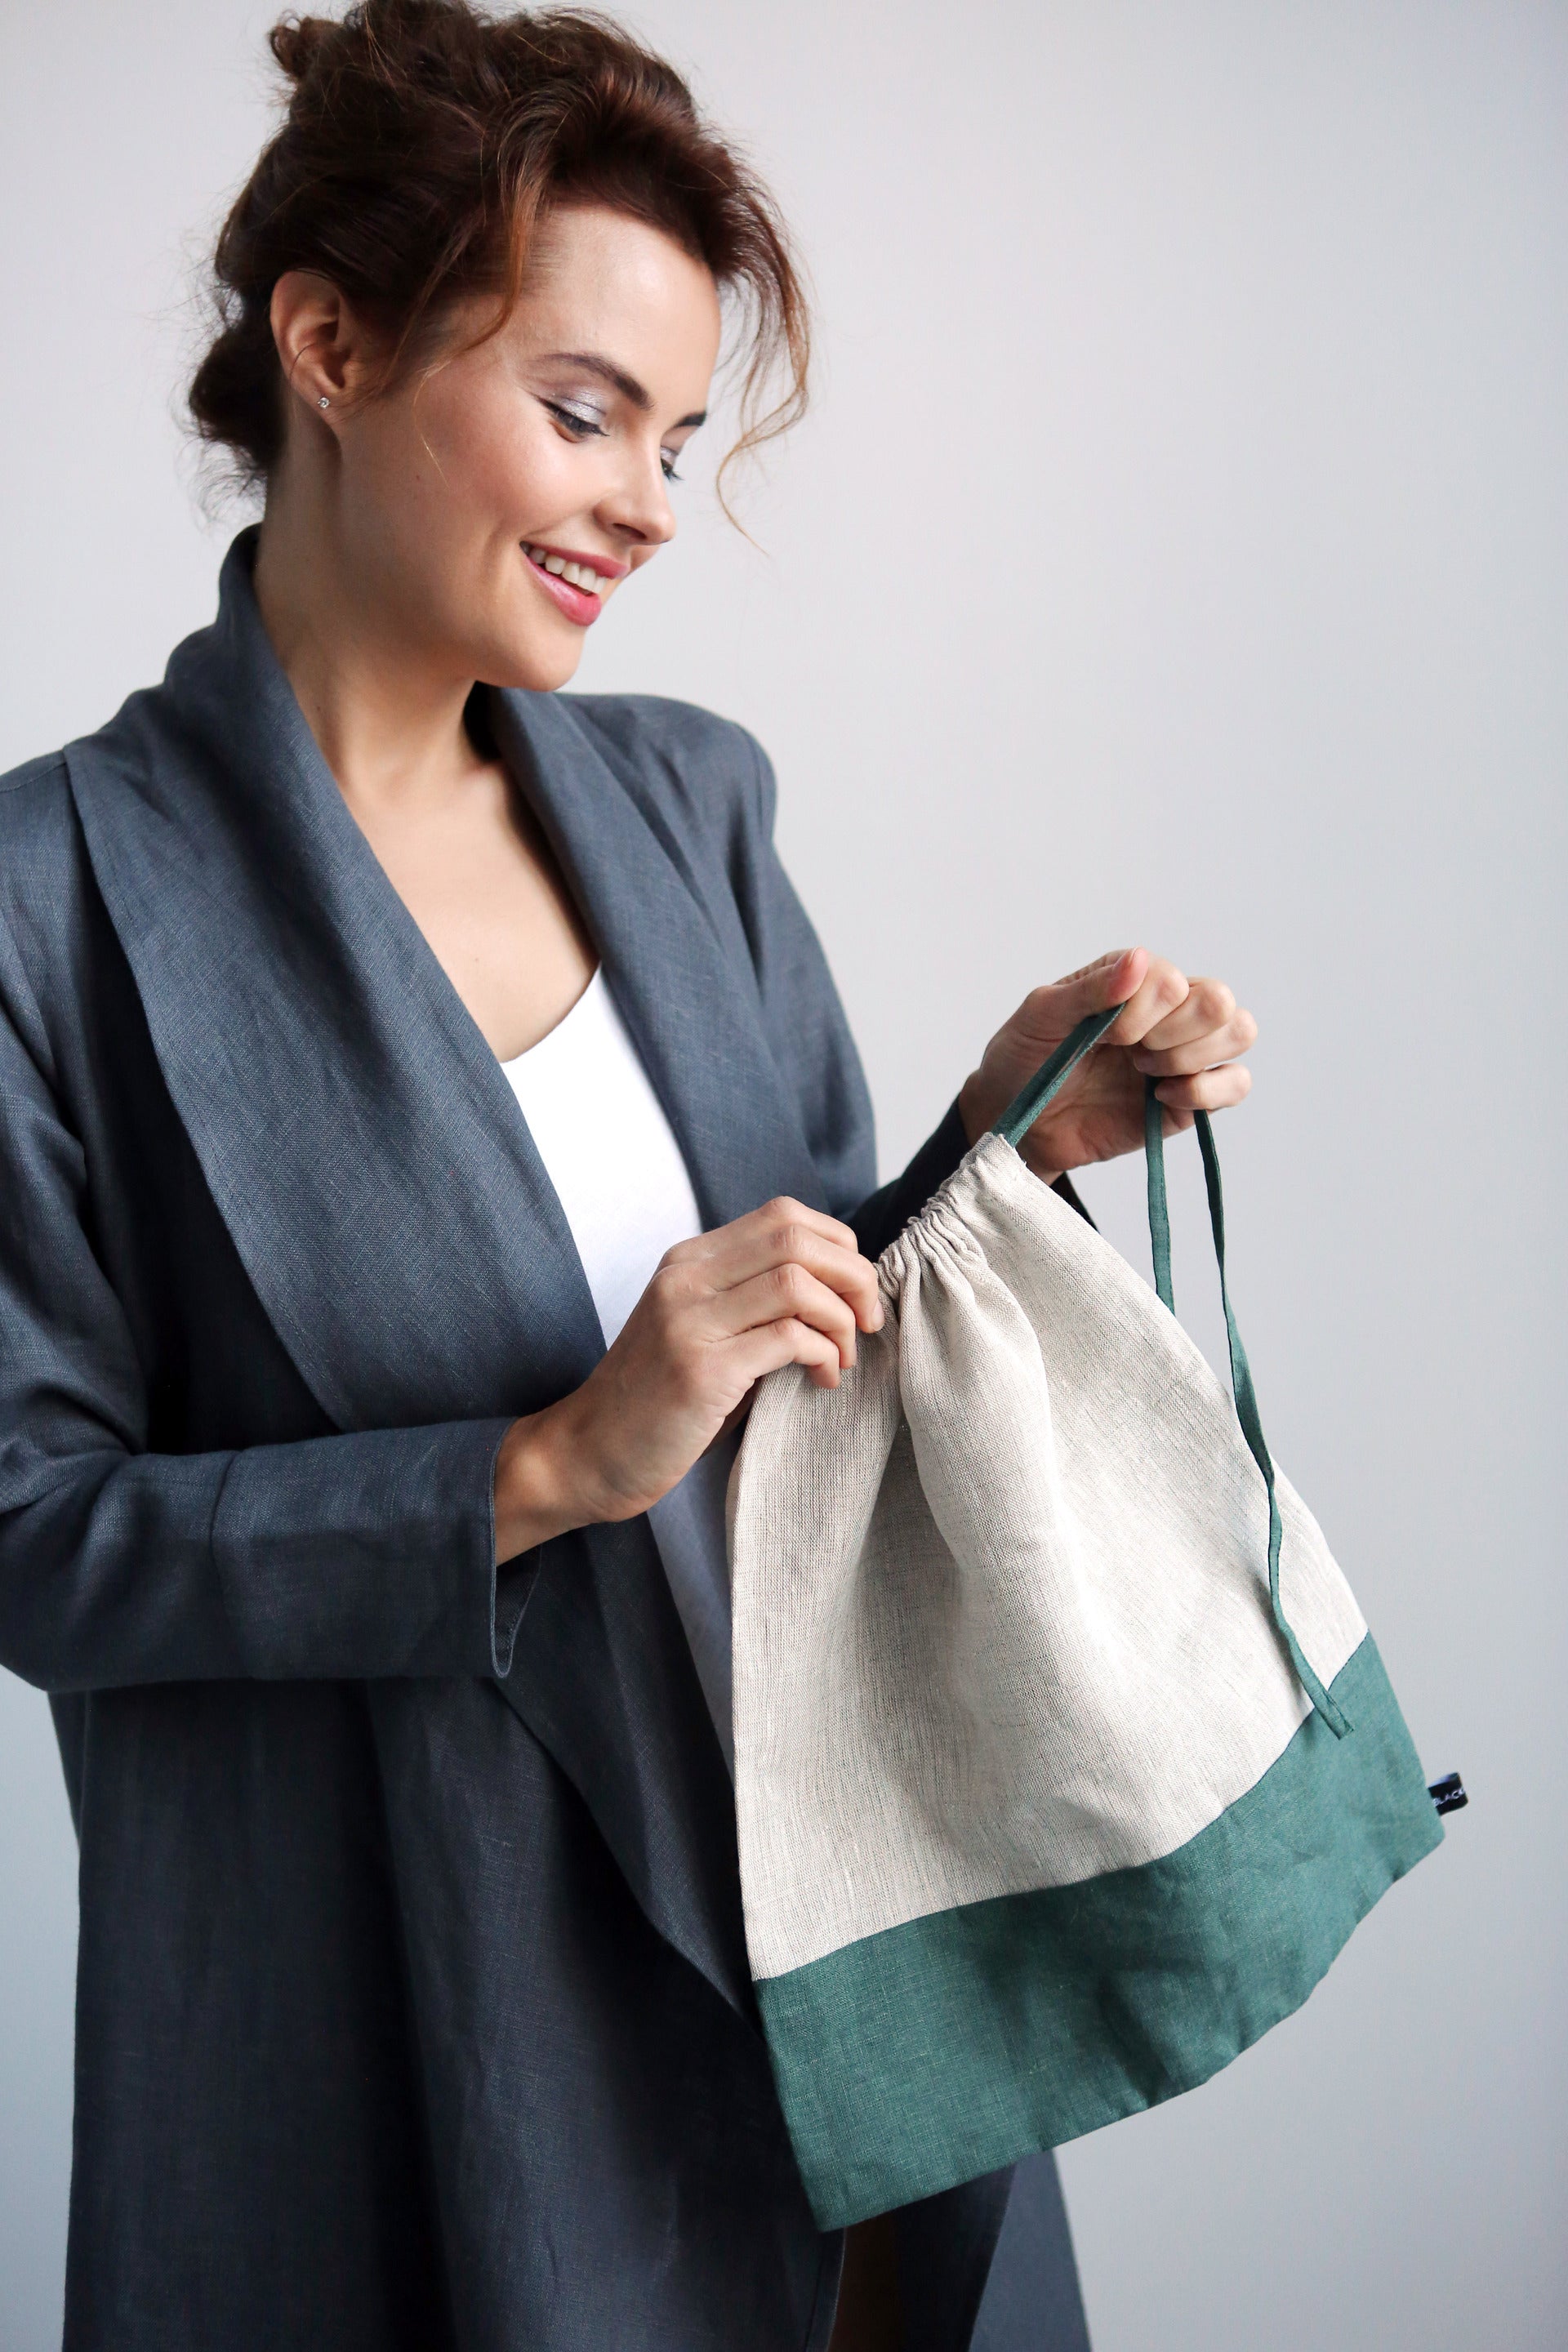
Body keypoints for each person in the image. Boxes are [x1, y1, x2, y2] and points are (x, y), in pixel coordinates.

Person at [0, 5, 1258, 2346]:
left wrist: (995, 1150)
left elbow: (799, 1379)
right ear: (333, 342)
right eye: (583, 413)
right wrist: (538, 1467)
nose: (650, 504)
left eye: (672, 440)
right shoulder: (54, 900)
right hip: (436, 2025)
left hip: (851, 1960)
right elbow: (34, 1535)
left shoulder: (691, 804)